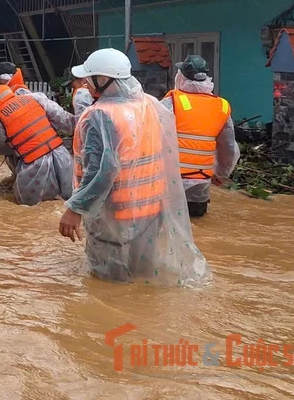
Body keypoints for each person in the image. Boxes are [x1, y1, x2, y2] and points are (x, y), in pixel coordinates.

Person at [58, 48, 210, 286]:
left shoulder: (100, 115)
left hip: (114, 216)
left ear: (104, 80)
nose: (86, 83)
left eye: (90, 78)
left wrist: (75, 209)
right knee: (142, 276)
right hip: (150, 212)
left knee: (109, 284)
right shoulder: (149, 104)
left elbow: (103, 172)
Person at [159, 55, 239, 218]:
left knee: (173, 226)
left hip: (172, 181)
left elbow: (151, 137)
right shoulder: (221, 106)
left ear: (181, 77)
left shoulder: (171, 102)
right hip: (202, 182)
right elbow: (228, 147)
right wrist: (221, 173)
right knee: (197, 221)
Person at [0, 83, 73, 206]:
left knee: (28, 207)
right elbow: (61, 119)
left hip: (35, 165)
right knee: (67, 203)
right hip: (62, 156)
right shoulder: (33, 98)